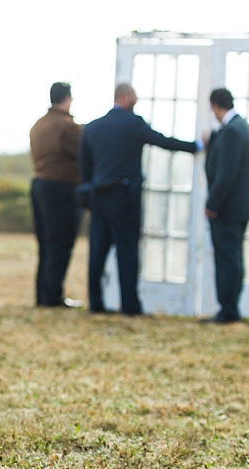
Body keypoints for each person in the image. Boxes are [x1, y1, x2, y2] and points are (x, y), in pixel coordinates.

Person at [80, 83, 199, 315]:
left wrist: (87, 201)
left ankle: (96, 303)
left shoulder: (92, 127)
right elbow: (163, 141)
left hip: (98, 197)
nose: (136, 101)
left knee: (97, 252)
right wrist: (195, 146)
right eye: (134, 97)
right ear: (125, 97)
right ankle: (130, 306)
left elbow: (85, 168)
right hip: (124, 197)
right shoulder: (133, 123)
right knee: (127, 251)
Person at [202, 88, 249, 324]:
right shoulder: (242, 128)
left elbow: (226, 174)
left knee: (227, 260)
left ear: (215, 106)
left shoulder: (233, 131)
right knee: (233, 258)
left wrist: (212, 204)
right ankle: (230, 307)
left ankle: (228, 310)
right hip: (239, 207)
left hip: (228, 208)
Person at [29, 81, 84, 309]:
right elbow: (84, 153)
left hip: (39, 185)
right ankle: (53, 296)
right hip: (60, 188)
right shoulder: (67, 127)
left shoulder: (38, 124)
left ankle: (43, 294)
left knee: (45, 244)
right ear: (67, 99)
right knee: (61, 243)